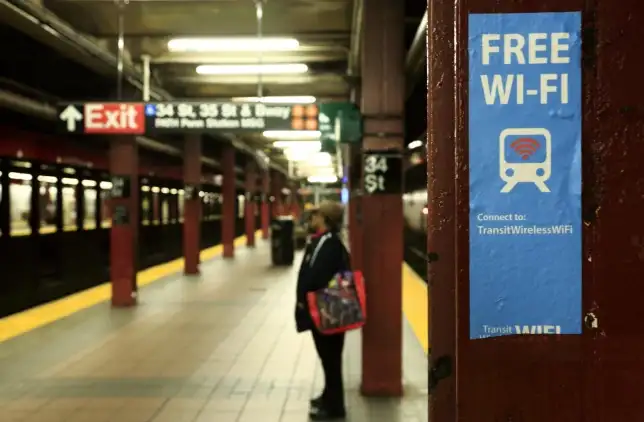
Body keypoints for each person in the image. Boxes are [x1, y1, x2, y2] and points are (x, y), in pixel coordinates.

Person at [295, 200, 350, 420]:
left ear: (325, 219)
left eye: (316, 215)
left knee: (331, 360)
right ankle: (328, 396)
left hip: (328, 312)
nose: (313, 218)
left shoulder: (331, 244)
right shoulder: (321, 241)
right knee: (327, 359)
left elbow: (320, 277)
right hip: (320, 310)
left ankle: (335, 407)